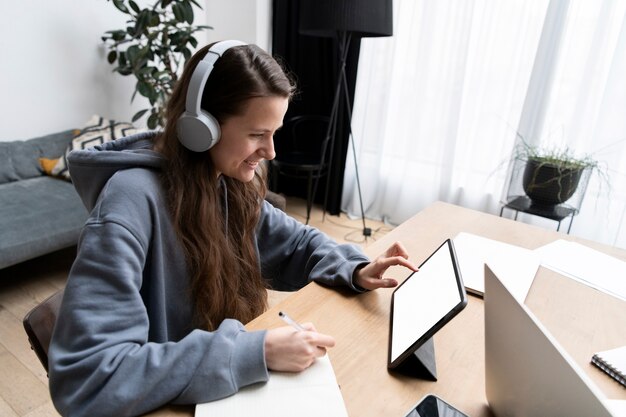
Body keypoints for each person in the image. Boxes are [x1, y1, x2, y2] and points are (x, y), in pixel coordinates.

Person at [48, 40, 418, 417]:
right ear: (200, 127)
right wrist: (257, 351)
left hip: (216, 393)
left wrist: (354, 267)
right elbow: (89, 377)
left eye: (274, 132)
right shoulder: (128, 204)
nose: (271, 152)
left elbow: (297, 243)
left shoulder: (224, 180)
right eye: (257, 134)